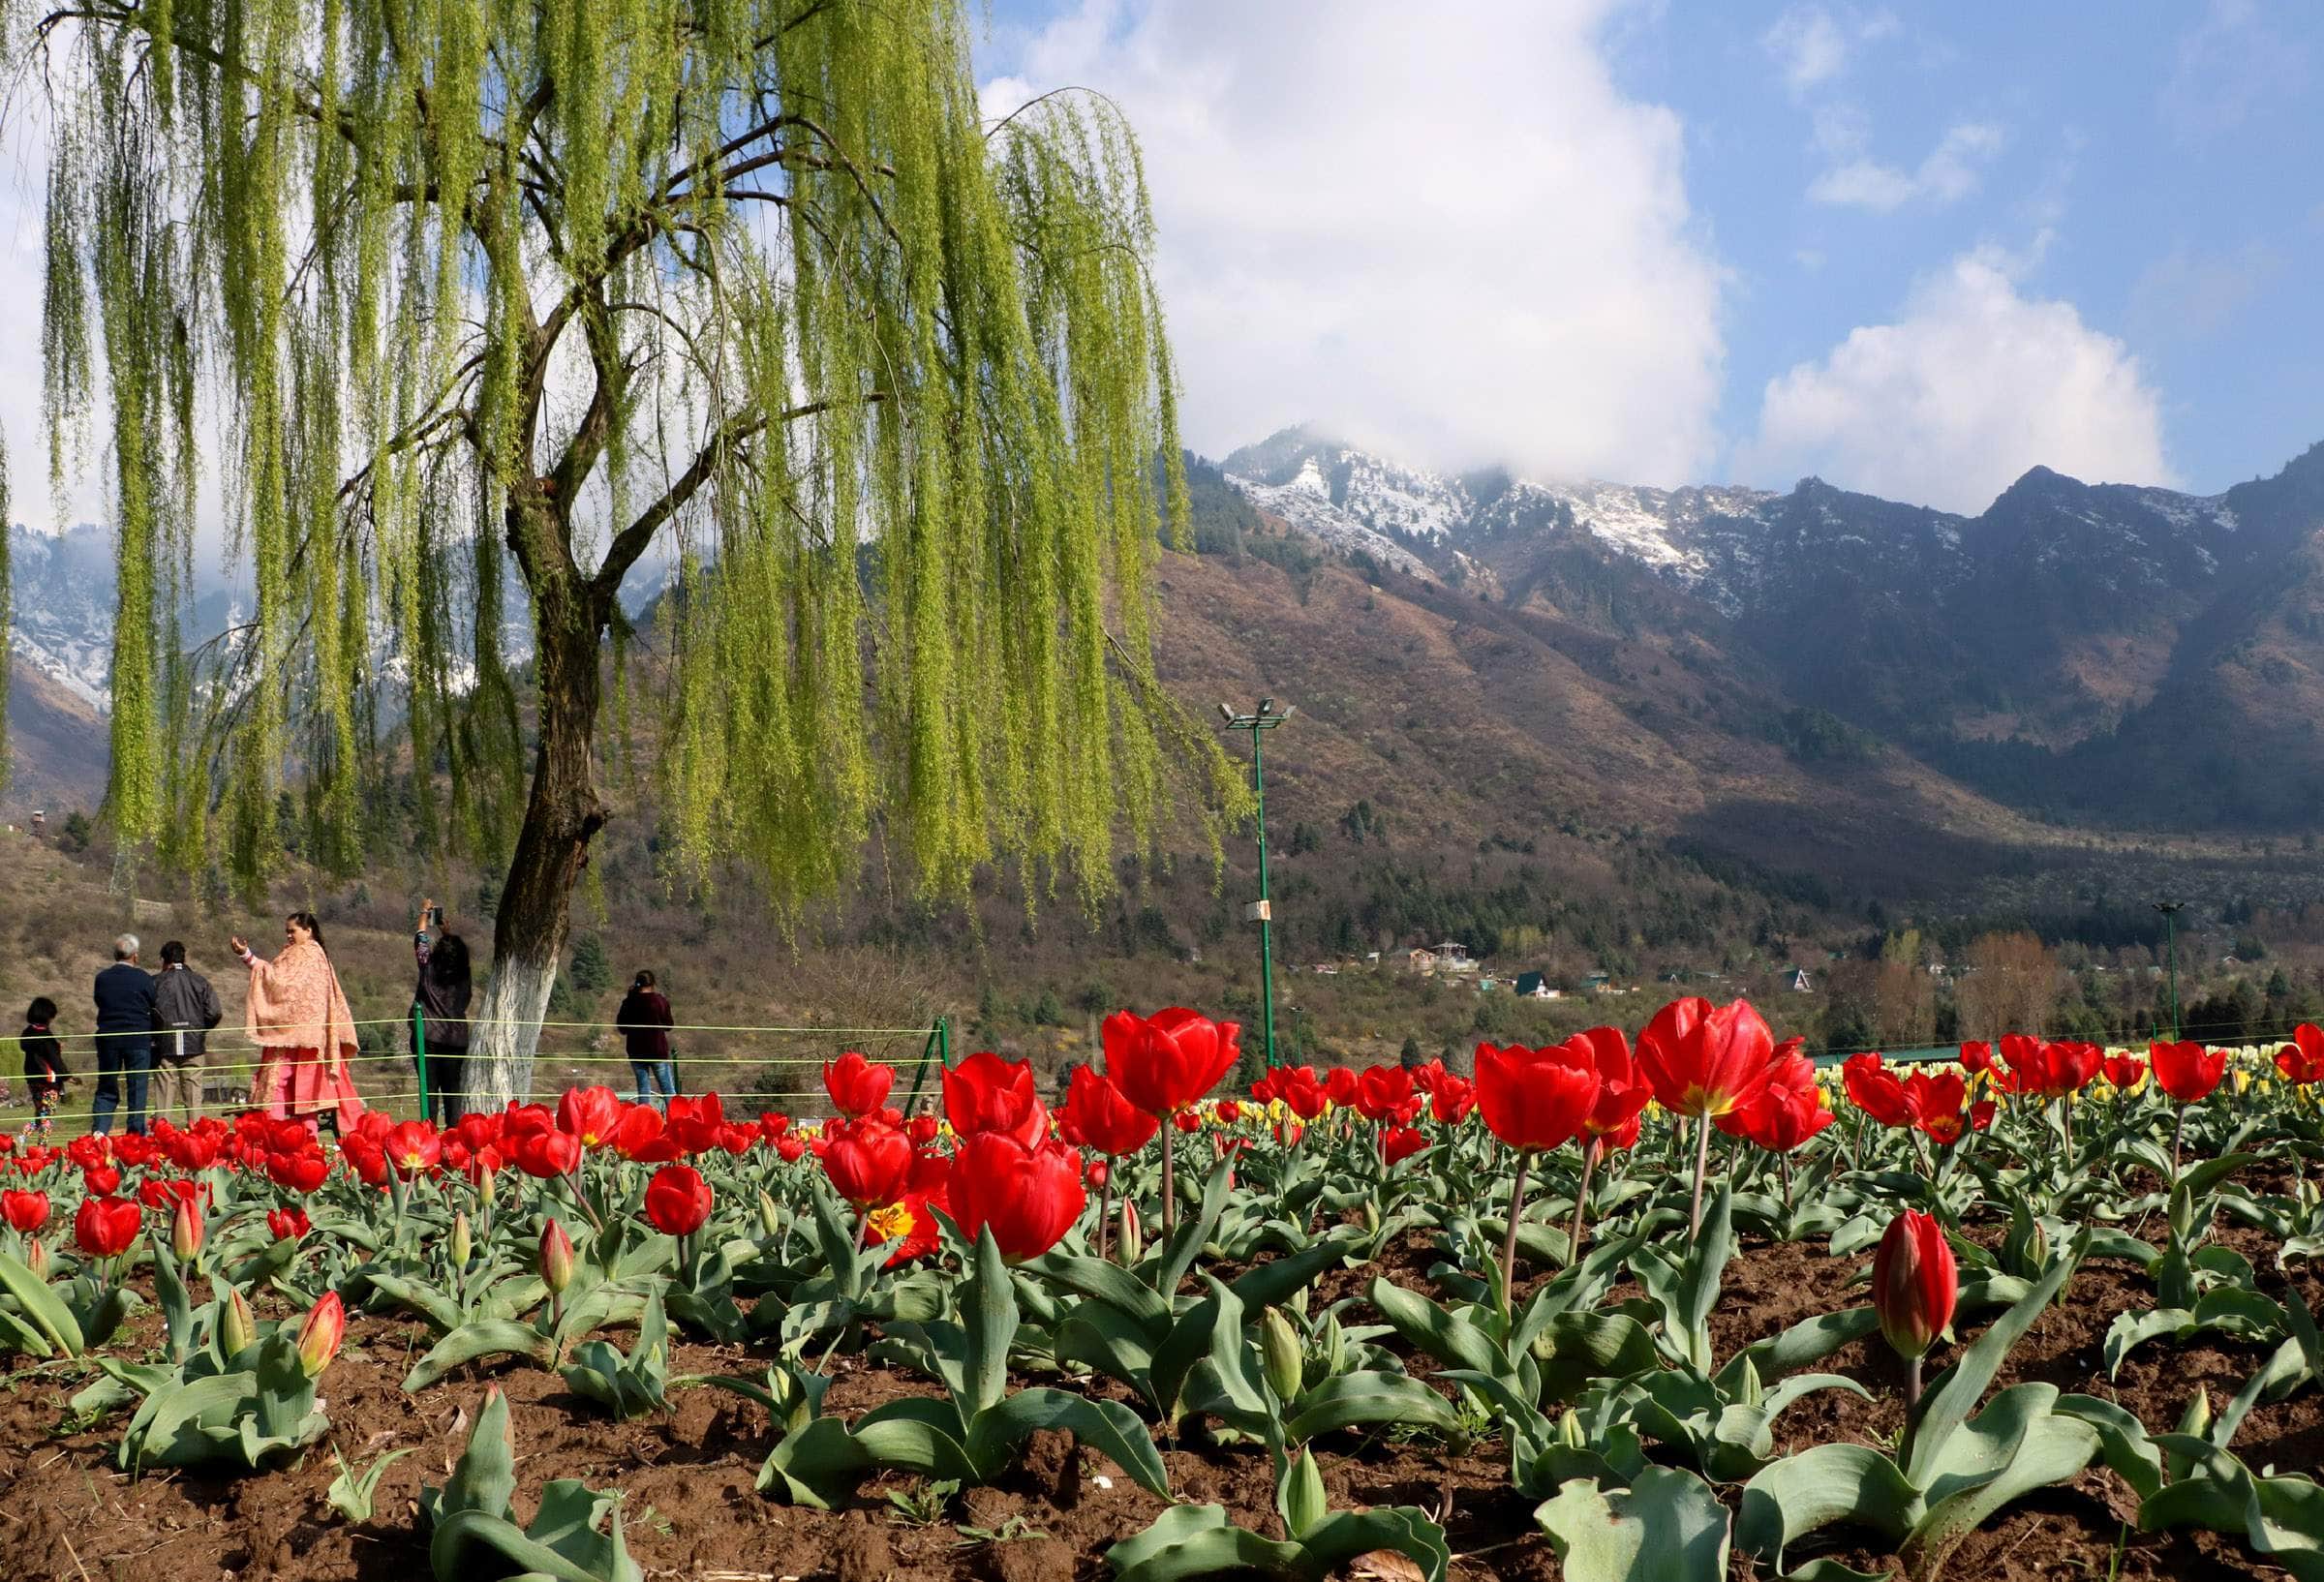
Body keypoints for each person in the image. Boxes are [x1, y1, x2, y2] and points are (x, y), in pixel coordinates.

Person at [231, 912, 364, 1135]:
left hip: (297, 1035)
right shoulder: (310, 955)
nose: (289, 935)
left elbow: (278, 983)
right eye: (287, 931)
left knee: (280, 1084)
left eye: (293, 931)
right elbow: (279, 980)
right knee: (307, 1091)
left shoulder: (307, 954)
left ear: (308, 930)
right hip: (309, 1035)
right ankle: (305, 1142)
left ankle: (276, 1137)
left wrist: (248, 956)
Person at [412, 897, 474, 1125]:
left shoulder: (428, 967)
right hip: (456, 1039)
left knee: (428, 1092)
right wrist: (447, 933)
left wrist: (424, 914)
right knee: (452, 1092)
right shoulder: (464, 974)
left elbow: (420, 940)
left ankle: (428, 1135)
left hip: (427, 1036)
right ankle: (454, 1137)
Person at [151, 940, 225, 1130]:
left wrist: (156, 1032)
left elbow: (147, 1012)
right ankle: (198, 1140)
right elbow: (215, 1012)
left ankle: (161, 1138)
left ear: (163, 960)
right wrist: (199, 1029)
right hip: (194, 1044)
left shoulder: (155, 982)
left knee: (164, 1094)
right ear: (184, 958)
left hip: (164, 1045)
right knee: (194, 1097)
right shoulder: (200, 981)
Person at [92, 933, 159, 1136]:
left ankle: (100, 1132)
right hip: (138, 1038)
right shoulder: (144, 979)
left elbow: (99, 1001)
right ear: (135, 956)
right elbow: (153, 1003)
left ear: (115, 955)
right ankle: (135, 1134)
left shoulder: (102, 978)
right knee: (137, 1087)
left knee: (106, 1086)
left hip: (108, 1038)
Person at [615, 970, 676, 1110]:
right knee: (667, 1088)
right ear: (653, 983)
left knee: (643, 1089)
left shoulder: (628, 1002)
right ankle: (676, 1121)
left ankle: (644, 1121)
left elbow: (622, 1028)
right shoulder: (660, 1001)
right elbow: (669, 1025)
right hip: (657, 1051)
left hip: (636, 1051)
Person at [17, 997, 67, 1144]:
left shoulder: (27, 1032)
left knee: (41, 1114)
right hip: (48, 1081)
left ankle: (21, 1138)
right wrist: (66, 1075)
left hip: (33, 1080)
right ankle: (41, 1148)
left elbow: (39, 1051)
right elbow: (52, 1056)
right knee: (48, 1117)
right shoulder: (44, 1034)